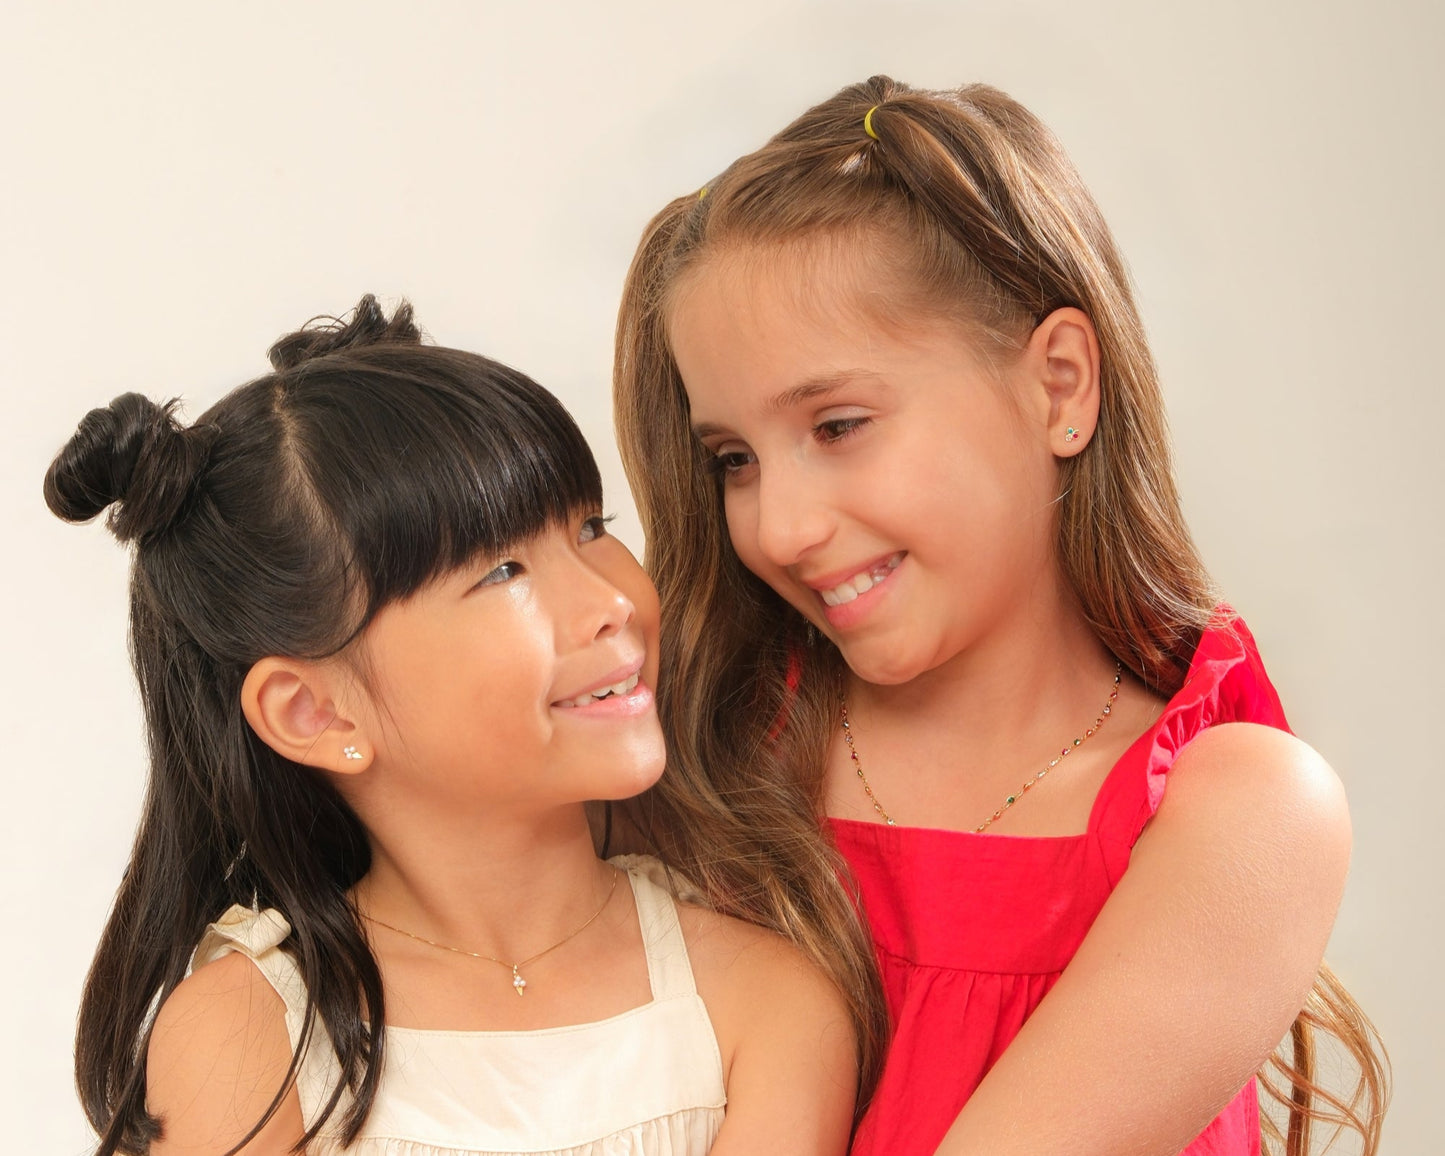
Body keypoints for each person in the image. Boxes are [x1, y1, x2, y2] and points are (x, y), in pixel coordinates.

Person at [612, 78, 1389, 1156]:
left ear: (1058, 386)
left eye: (837, 425)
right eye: (733, 460)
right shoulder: (707, 761)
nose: (779, 527)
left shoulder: (1239, 813)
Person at [49, 297, 857, 1156]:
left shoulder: (758, 1002)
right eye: (503, 570)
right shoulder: (249, 1035)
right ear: (314, 711)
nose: (612, 601)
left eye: (590, 527)